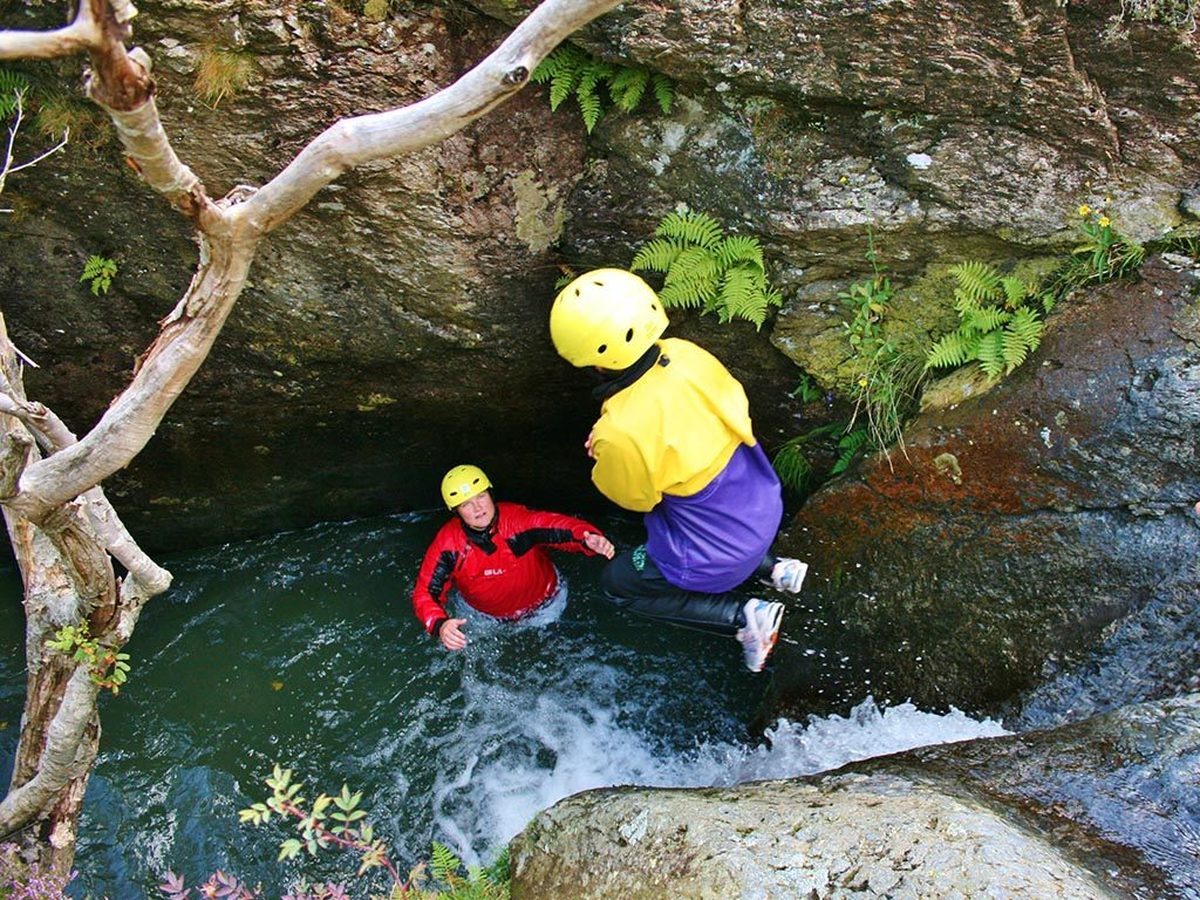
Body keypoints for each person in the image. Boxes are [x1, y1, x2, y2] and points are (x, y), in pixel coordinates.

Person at [549, 268, 808, 672]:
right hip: (760, 502)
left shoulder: (619, 429)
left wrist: (605, 451)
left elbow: (633, 497)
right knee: (699, 502)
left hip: (717, 554)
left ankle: (744, 615)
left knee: (618, 582)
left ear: (595, 363)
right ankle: (777, 569)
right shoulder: (685, 354)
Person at [413, 464, 615, 651]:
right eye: (466, 504)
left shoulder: (517, 522)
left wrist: (587, 538)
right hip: (482, 618)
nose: (478, 508)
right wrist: (440, 625)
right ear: (456, 511)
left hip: (546, 605)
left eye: (481, 496)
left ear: (491, 495)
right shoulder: (449, 544)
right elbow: (426, 592)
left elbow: (560, 527)